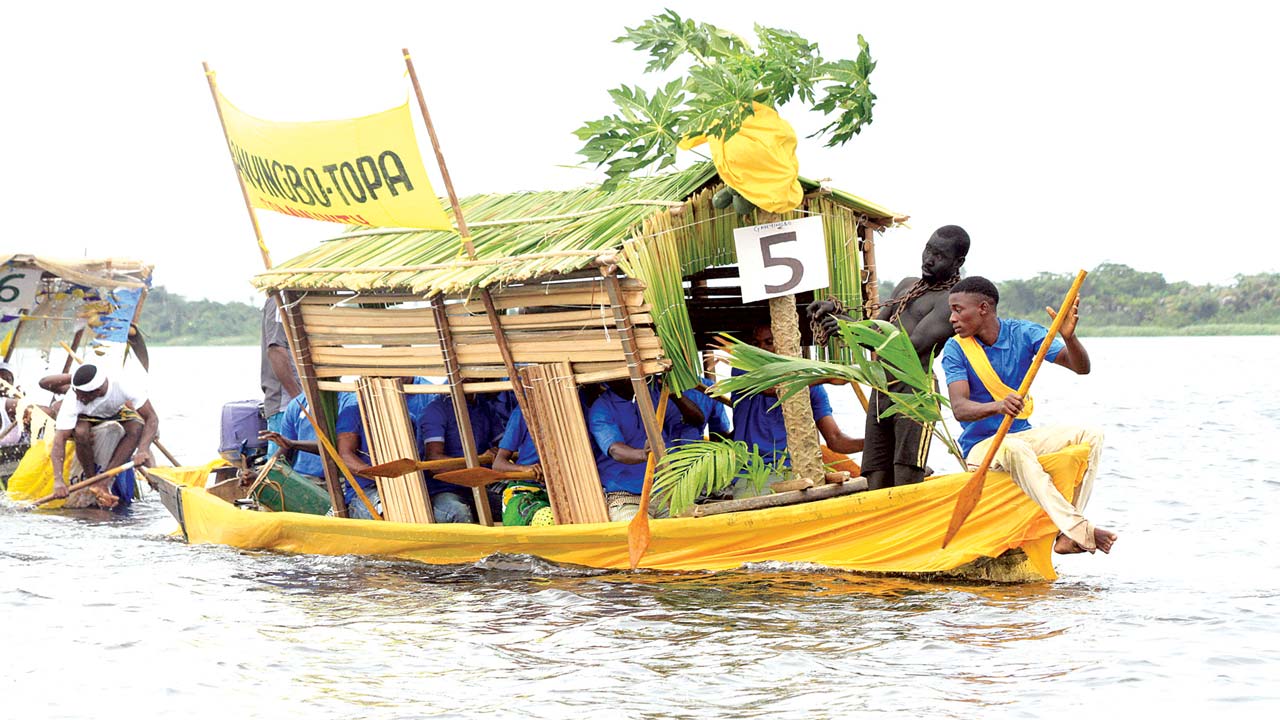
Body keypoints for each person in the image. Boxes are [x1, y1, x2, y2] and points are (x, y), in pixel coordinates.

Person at [941, 276, 1117, 555]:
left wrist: (1069, 338)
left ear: (983, 308)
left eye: (958, 309)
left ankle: (1068, 533)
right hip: (981, 448)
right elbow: (960, 408)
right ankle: (1081, 530)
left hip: (1021, 435)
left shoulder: (1023, 333)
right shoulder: (955, 349)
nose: (952, 318)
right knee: (1015, 447)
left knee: (1091, 435)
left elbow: (1081, 368)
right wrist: (997, 406)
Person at [809, 225, 969, 489]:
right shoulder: (907, 285)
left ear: (958, 262)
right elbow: (875, 328)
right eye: (928, 249)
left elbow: (909, 345)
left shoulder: (950, 300)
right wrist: (836, 316)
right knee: (874, 476)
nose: (929, 259)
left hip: (915, 393)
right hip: (883, 388)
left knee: (906, 478)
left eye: (939, 255)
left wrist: (847, 324)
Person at [731, 325, 862, 486]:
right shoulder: (742, 371)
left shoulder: (812, 389)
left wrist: (875, 442)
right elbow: (771, 388)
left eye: (769, 342)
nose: (762, 349)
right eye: (756, 344)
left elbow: (835, 439)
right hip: (751, 474)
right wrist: (828, 376)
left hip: (798, 472)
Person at [588, 378, 704, 521]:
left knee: (691, 531)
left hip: (666, 492)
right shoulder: (602, 409)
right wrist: (644, 454)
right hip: (627, 497)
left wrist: (674, 394)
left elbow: (697, 420)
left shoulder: (655, 396)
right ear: (611, 380)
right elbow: (615, 450)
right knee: (642, 534)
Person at [47, 364, 158, 509]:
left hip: (115, 411)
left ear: (97, 391)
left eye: (82, 395)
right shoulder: (73, 400)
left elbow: (152, 418)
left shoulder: (123, 384)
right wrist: (58, 480)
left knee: (137, 427)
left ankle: (105, 480)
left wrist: (143, 449)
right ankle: (93, 480)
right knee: (81, 433)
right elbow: (59, 441)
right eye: (76, 392)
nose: (77, 397)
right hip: (86, 417)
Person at [261, 295, 301, 455]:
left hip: (304, 404)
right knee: (279, 470)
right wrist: (300, 400)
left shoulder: (304, 295)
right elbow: (276, 350)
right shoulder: (282, 297)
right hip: (286, 405)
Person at [258, 392, 324, 484]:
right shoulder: (296, 404)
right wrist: (259, 476)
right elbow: (285, 449)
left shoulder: (346, 401)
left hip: (332, 479)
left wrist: (293, 444)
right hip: (302, 478)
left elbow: (338, 449)